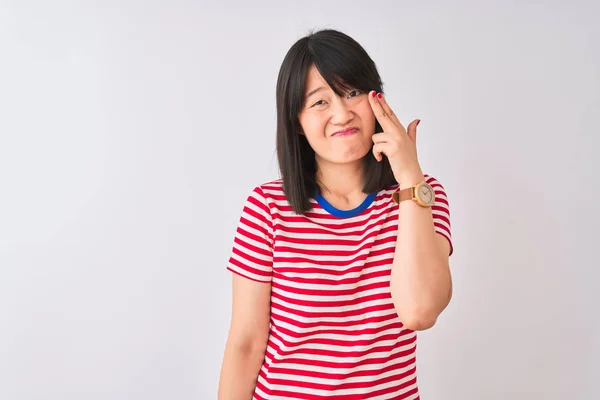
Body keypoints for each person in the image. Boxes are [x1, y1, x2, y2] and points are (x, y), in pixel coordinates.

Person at [218, 28, 453, 400]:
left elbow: (419, 312)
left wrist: (409, 177)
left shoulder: (422, 195)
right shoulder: (267, 207)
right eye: (320, 102)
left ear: (378, 100)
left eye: (352, 92)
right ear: (296, 120)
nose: (342, 113)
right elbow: (245, 344)